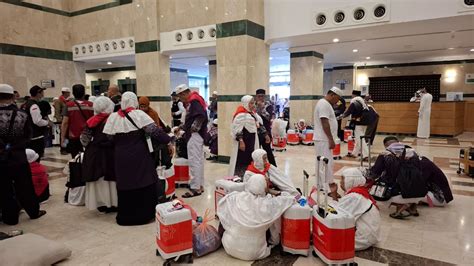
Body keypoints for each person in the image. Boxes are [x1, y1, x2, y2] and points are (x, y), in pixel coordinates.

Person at [103, 92, 172, 225]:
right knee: (143, 179)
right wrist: (168, 141)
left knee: (125, 182)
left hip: (121, 156)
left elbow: (109, 137)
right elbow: (155, 131)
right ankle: (144, 215)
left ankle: (126, 216)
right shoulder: (139, 114)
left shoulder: (113, 117)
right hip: (139, 154)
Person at [217, 174, 295, 261]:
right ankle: (272, 241)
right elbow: (291, 198)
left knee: (231, 218)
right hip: (254, 253)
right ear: (264, 187)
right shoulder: (268, 204)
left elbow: (221, 208)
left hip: (229, 247)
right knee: (274, 216)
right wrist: (272, 192)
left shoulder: (235, 197)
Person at [0, 84, 46, 225]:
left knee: (4, 188)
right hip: (18, 157)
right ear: (12, 96)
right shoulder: (22, 114)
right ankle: (33, 211)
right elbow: (28, 136)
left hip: (1, 158)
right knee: (25, 185)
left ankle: (10, 218)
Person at [375, 136, 453, 207]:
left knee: (400, 193)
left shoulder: (413, 163)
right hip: (443, 193)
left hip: (439, 197)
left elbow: (414, 185)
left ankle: (410, 204)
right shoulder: (416, 157)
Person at [370, 142, 427, 219]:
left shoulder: (385, 156)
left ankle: (401, 205)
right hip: (420, 195)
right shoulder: (415, 156)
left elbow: (374, 173)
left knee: (377, 191)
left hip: (400, 194)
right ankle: (412, 206)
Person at [80, 96, 117, 213]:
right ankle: (114, 202)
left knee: (99, 179)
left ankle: (101, 203)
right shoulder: (113, 119)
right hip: (110, 153)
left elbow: (84, 140)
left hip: (95, 154)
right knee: (111, 179)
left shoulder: (91, 121)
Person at [175, 85, 208, 198]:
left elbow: (200, 116)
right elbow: (192, 118)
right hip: (197, 135)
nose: (181, 99)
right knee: (198, 161)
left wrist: (192, 129)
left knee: (194, 162)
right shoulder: (196, 98)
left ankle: (195, 188)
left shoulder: (193, 101)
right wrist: (183, 127)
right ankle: (199, 186)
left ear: (184, 93)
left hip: (194, 135)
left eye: (181, 97)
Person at [338, 168, 381, 251]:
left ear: (350, 181)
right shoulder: (359, 192)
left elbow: (339, 217)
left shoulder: (354, 196)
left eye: (343, 180)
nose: (340, 183)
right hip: (368, 235)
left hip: (362, 238)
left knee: (327, 236)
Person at [314, 87, 343, 200]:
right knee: (327, 164)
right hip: (324, 139)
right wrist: (331, 139)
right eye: (337, 99)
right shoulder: (324, 104)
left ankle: (322, 186)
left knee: (322, 164)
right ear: (332, 95)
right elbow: (324, 122)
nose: (337, 102)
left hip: (323, 139)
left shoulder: (325, 104)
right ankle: (329, 188)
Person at [229, 95, 262, 177]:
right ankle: (240, 176)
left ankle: (249, 176)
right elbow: (237, 129)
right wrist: (241, 141)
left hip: (252, 140)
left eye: (253, 103)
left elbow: (259, 123)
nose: (253, 105)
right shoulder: (241, 115)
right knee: (242, 159)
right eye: (251, 103)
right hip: (245, 141)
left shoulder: (252, 114)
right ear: (246, 103)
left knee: (250, 158)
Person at [61, 84, 94, 158]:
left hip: (74, 136)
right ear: (84, 93)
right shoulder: (91, 105)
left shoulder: (69, 105)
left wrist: (62, 138)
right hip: (88, 136)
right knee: (88, 157)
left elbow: (65, 123)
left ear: (73, 93)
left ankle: (77, 169)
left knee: (75, 157)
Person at [340, 90, 370, 160]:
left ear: (353, 95)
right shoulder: (362, 101)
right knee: (358, 138)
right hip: (365, 122)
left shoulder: (354, 102)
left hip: (358, 123)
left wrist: (339, 117)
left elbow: (347, 112)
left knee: (360, 139)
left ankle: (366, 155)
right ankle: (354, 153)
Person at [25, 85, 53, 160]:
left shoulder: (27, 103)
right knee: (36, 158)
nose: (43, 94)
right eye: (42, 92)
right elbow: (37, 121)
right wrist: (48, 123)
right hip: (36, 136)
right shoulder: (34, 105)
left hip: (30, 135)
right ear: (38, 94)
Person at [255, 89, 276, 166]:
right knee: (256, 151)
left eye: (262, 96)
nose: (260, 98)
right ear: (256, 97)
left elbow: (269, 117)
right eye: (259, 96)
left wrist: (262, 108)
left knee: (268, 151)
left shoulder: (268, 105)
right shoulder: (253, 105)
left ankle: (274, 167)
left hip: (266, 132)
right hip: (256, 132)